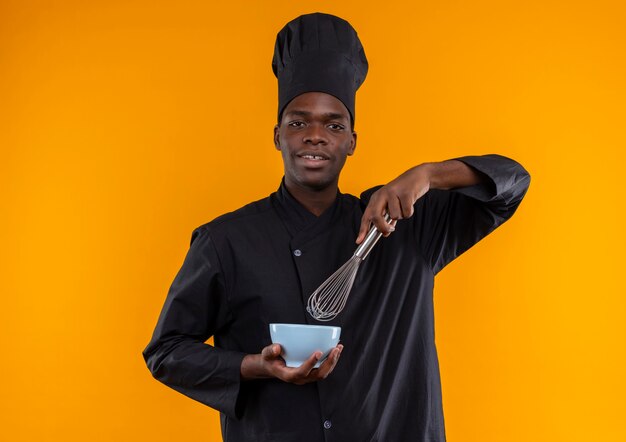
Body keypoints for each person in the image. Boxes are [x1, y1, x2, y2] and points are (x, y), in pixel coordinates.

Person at [143, 12, 530, 442]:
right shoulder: (225, 241)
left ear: (351, 140)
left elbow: (513, 182)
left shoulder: (404, 222)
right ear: (277, 136)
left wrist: (428, 175)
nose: (315, 135)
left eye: (333, 124)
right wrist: (254, 365)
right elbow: (166, 352)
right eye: (298, 122)